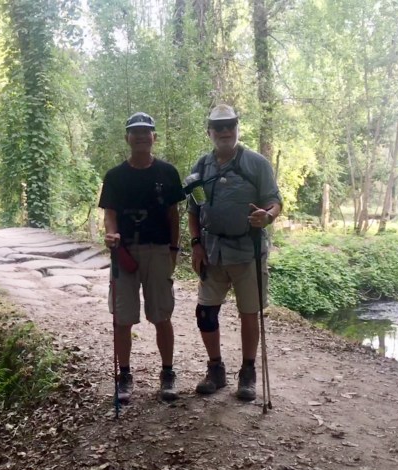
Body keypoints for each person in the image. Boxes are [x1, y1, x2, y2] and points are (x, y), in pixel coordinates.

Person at [187, 104, 282, 401]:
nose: (225, 131)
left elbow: (274, 201)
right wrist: (196, 244)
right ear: (209, 132)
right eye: (219, 127)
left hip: (247, 251)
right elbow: (194, 209)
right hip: (212, 251)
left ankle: (248, 373)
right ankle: (215, 369)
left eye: (230, 125)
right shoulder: (201, 167)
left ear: (238, 128)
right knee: (205, 313)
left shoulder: (256, 164)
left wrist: (267, 216)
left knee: (249, 313)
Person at [98, 112, 186, 403]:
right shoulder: (114, 176)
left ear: (153, 137)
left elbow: (174, 215)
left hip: (158, 250)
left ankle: (168, 373)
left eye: (145, 132)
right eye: (135, 132)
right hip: (124, 253)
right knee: (122, 317)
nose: (140, 137)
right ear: (127, 137)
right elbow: (110, 214)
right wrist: (111, 234)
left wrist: (174, 249)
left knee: (162, 314)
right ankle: (124, 375)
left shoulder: (167, 173)